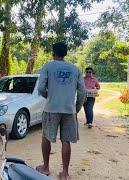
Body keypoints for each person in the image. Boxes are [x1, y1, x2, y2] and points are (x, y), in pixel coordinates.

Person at [36, 42, 86, 179]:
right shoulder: (75, 69)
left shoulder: (48, 66)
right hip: (69, 110)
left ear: (53, 52)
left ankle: (45, 168)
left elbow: (40, 88)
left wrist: (49, 96)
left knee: (46, 137)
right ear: (65, 53)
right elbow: (82, 93)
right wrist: (76, 108)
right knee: (66, 140)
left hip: (51, 108)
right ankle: (65, 173)